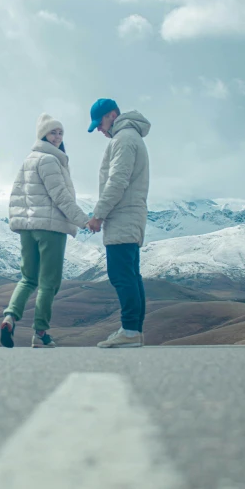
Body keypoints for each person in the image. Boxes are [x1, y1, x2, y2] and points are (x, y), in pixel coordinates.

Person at [1, 113, 92, 349]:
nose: (58, 137)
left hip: (28, 229)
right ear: (43, 134)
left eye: (60, 132)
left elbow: (16, 196)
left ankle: (10, 317)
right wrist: (83, 220)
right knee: (49, 282)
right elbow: (60, 196)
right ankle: (40, 333)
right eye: (53, 132)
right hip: (50, 228)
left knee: (28, 278)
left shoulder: (28, 160)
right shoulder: (50, 161)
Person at [86, 98, 151, 348]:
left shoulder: (123, 139)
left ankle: (130, 332)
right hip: (129, 215)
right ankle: (134, 330)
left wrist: (98, 215)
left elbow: (117, 181)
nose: (100, 130)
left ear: (112, 115)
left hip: (123, 216)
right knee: (131, 276)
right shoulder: (131, 137)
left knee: (122, 275)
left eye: (100, 123)